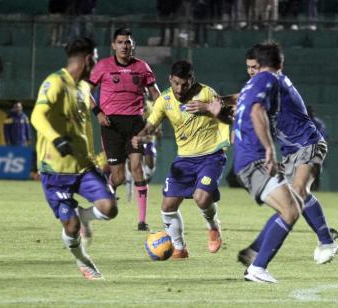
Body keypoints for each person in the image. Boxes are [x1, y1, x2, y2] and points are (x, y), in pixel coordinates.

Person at [30, 37, 117, 280]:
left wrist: (92, 157)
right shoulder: (55, 82)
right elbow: (37, 116)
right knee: (72, 227)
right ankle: (83, 260)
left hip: (83, 167)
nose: (97, 63)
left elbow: (84, 127)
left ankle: (83, 214)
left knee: (109, 208)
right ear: (89, 59)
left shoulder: (84, 88)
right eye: (96, 58)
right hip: (55, 170)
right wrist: (56, 139)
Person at [132, 60, 228, 259]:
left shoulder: (206, 94)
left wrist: (209, 108)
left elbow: (228, 115)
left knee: (202, 198)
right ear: (170, 80)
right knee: (167, 206)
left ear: (192, 80)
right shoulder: (164, 100)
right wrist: (140, 136)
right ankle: (180, 248)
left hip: (211, 155)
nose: (179, 88)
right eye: (176, 83)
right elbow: (151, 126)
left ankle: (213, 227)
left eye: (184, 84)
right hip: (184, 159)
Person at [232, 42, 302, 283]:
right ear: (280, 64)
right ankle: (257, 267)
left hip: (248, 158)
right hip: (254, 159)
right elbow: (257, 112)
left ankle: (254, 255)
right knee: (291, 210)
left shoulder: (250, 84)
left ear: (258, 63)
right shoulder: (268, 80)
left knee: (293, 205)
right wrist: (269, 151)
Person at [89, 28, 161, 231]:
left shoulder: (142, 67)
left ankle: (142, 221)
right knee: (119, 176)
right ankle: (105, 196)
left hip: (135, 124)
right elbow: (85, 91)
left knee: (137, 167)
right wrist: (98, 113)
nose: (124, 46)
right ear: (114, 45)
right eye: (120, 42)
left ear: (133, 45)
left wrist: (163, 108)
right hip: (111, 125)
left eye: (128, 42)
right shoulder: (103, 66)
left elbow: (155, 93)